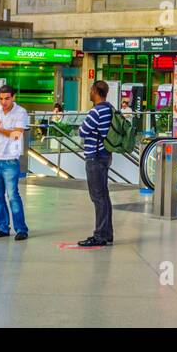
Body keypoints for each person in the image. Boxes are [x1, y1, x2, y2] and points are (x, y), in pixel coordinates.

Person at [0, 87, 30, 241]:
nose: (3, 102)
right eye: (1, 99)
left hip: (10, 160)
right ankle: (2, 227)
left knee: (12, 196)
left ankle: (21, 229)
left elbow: (17, 134)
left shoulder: (20, 112)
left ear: (13, 97)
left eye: (7, 98)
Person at [77, 81, 115, 248]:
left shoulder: (96, 111)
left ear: (94, 91)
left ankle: (99, 235)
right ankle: (107, 233)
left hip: (95, 156)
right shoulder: (109, 108)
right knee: (104, 196)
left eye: (90, 90)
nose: (89, 93)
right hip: (105, 155)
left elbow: (82, 131)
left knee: (97, 197)